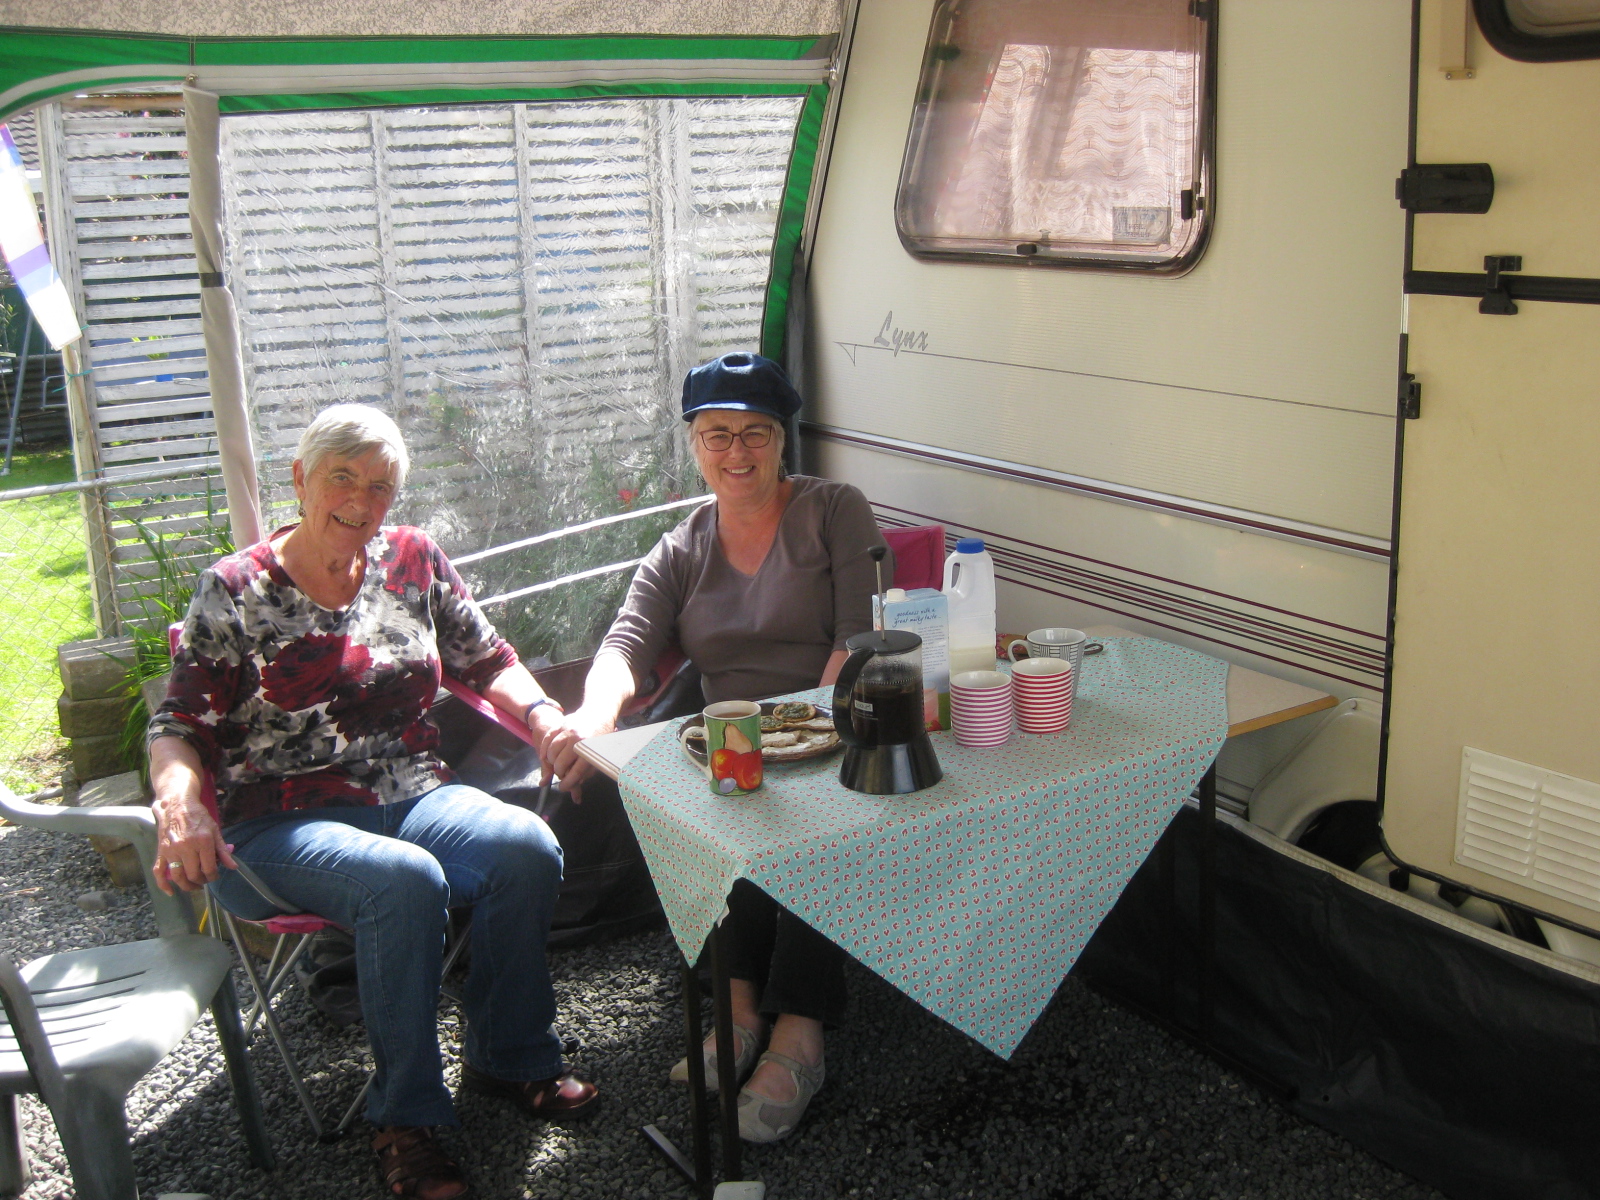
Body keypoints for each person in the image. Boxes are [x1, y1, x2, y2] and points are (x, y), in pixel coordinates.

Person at [148, 404, 595, 1200]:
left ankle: (510, 1057)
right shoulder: (236, 587)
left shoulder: (413, 559)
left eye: (379, 486)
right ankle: (406, 1118)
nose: (360, 500)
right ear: (301, 480)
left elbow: (487, 658)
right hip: (277, 821)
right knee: (403, 881)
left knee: (524, 847)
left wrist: (544, 715)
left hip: (412, 788)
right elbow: (178, 724)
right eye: (341, 478)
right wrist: (181, 805)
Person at [541, 352, 890, 1143]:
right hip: (730, 738)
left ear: (782, 439)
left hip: (832, 723)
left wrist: (809, 726)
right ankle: (733, 1005)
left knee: (807, 819)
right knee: (705, 807)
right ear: (695, 445)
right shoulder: (683, 545)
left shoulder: (835, 509)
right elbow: (625, 643)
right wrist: (594, 717)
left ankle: (799, 1032)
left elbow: (859, 634)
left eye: (756, 433)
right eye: (717, 435)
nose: (738, 454)